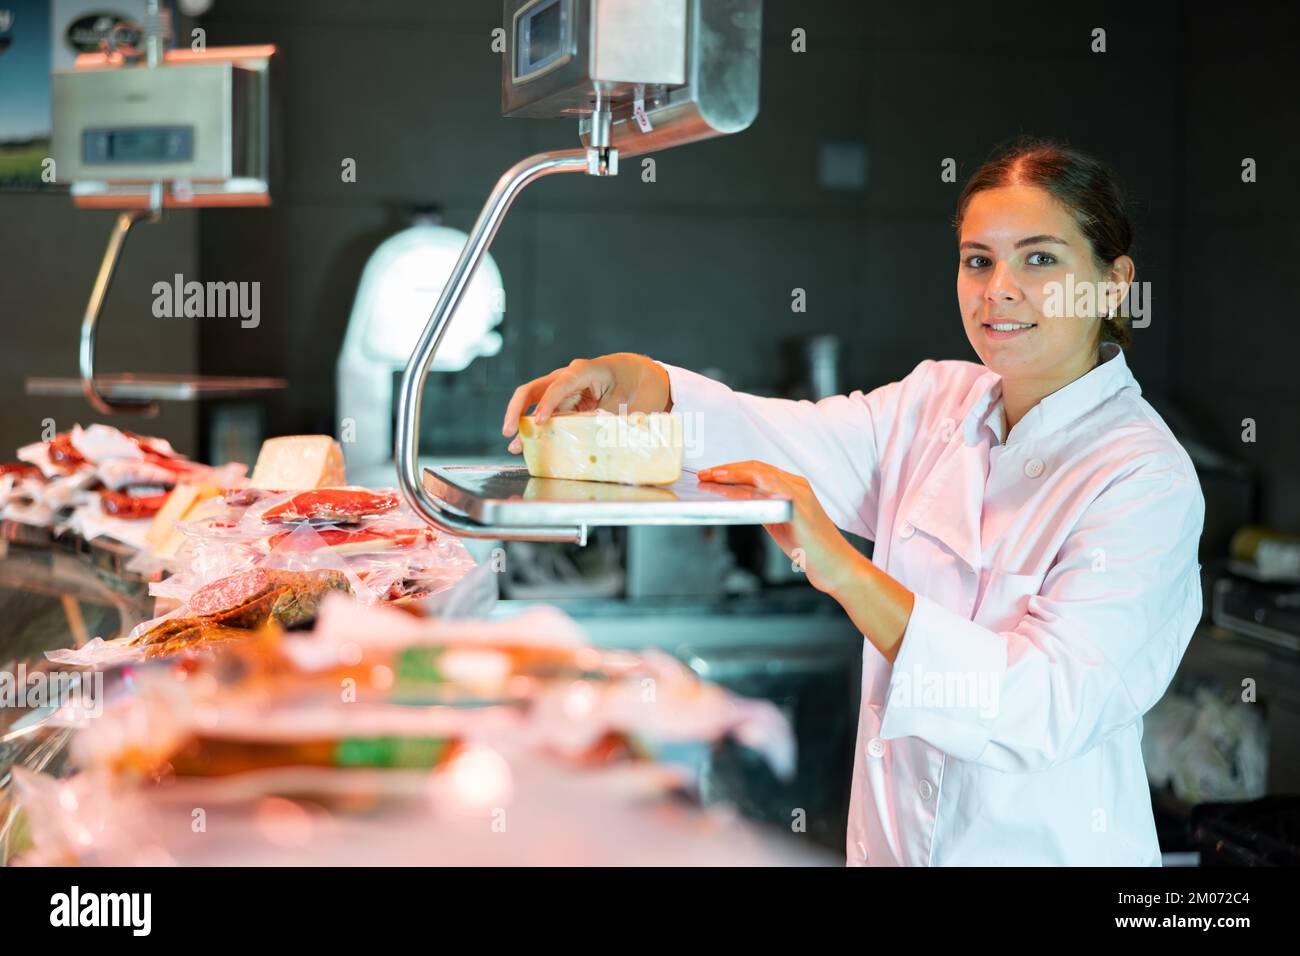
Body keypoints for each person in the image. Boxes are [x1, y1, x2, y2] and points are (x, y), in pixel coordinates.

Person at [501, 138, 1205, 866]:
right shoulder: (937, 402)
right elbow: (781, 436)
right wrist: (644, 384)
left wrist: (840, 569)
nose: (998, 289)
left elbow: (1045, 706)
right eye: (978, 260)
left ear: (1113, 283)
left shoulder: (1143, 476)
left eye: (1039, 258)